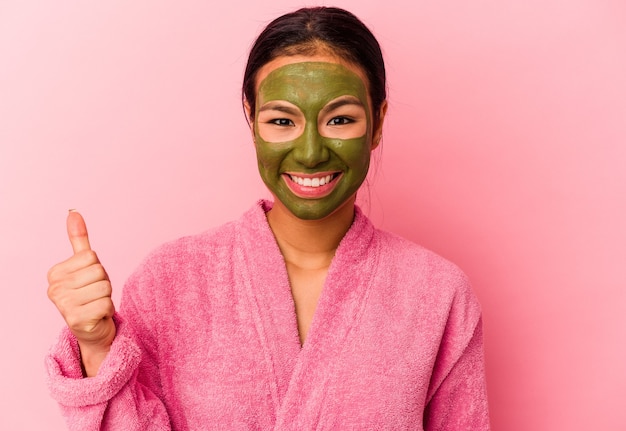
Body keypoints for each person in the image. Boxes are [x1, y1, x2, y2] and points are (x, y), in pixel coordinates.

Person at [46, 6, 490, 430]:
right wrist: (97, 347)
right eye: (282, 121)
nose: (311, 152)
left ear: (376, 123)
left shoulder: (437, 294)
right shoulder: (170, 281)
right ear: (251, 118)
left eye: (339, 119)